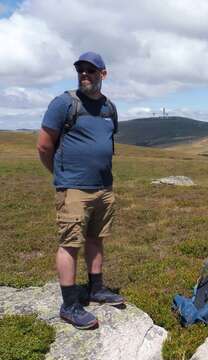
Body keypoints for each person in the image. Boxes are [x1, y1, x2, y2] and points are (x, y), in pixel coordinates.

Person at [36, 52, 124, 330]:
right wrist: (62, 176)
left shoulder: (109, 107)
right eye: (81, 70)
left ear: (103, 74)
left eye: (91, 70)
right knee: (70, 244)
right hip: (73, 188)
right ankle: (70, 304)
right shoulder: (64, 103)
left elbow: (107, 140)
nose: (84, 74)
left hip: (103, 188)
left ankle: (96, 288)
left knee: (96, 238)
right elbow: (44, 145)